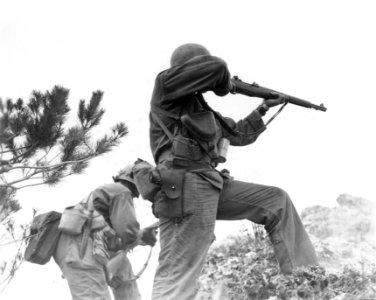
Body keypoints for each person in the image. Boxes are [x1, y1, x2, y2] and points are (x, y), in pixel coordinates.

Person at [148, 43, 319, 300]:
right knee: (178, 271)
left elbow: (239, 134)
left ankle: (305, 281)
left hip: (209, 182)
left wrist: (262, 107)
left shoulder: (201, 108)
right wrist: (226, 84)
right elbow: (217, 67)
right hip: (183, 185)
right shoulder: (166, 88)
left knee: (276, 201)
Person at [53, 164, 158, 300]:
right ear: (136, 177)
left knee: (123, 269)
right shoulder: (121, 191)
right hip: (81, 248)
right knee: (94, 296)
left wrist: (139, 237)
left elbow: (115, 239)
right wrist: (142, 235)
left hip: (81, 246)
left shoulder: (109, 193)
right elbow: (129, 233)